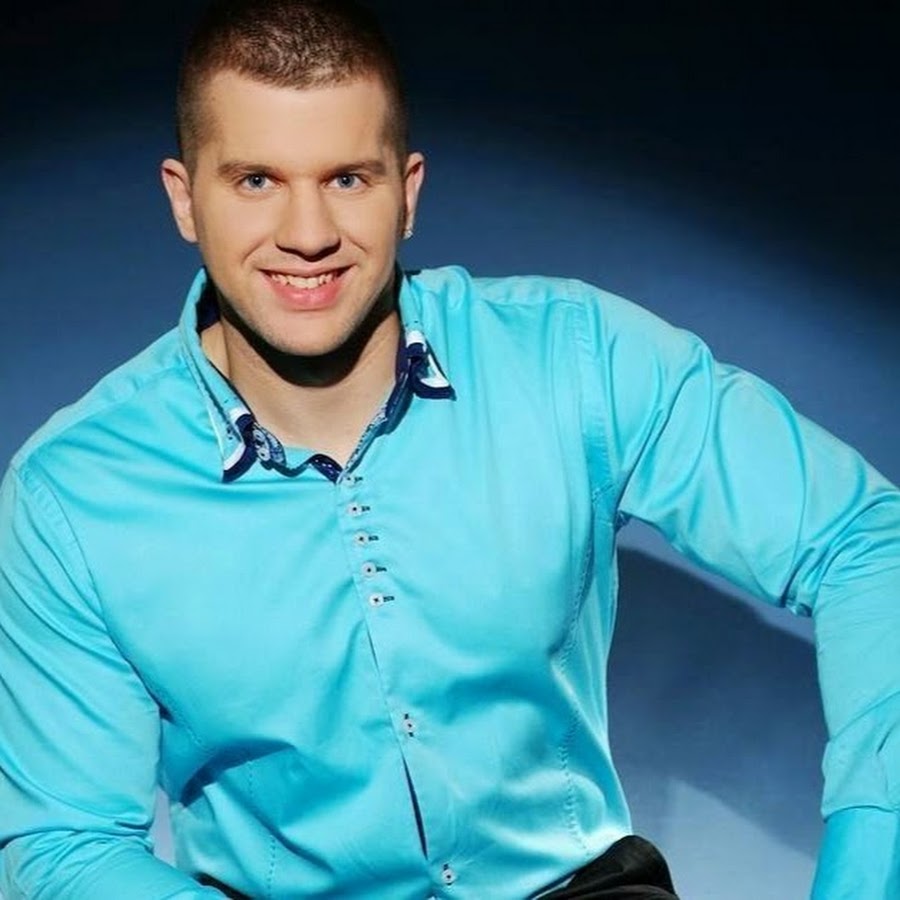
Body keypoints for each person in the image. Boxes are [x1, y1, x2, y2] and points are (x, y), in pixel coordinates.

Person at [1, 1, 898, 897]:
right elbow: (65, 841)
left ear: (408, 192)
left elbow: (865, 543)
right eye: (257, 180)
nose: (307, 234)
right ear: (184, 198)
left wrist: (862, 876)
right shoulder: (73, 492)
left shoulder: (576, 358)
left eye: (347, 178)